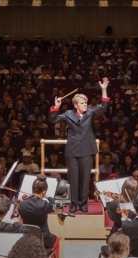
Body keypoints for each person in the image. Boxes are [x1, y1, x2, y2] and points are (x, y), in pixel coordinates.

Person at [49, 77, 110, 213]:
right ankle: (73, 203)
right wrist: (56, 106)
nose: (85, 105)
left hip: (87, 150)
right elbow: (53, 119)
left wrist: (104, 89)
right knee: (73, 179)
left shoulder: (90, 113)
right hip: (72, 151)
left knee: (85, 178)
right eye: (82, 103)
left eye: (86, 102)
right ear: (76, 105)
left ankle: (83, 203)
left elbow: (103, 106)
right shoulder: (68, 114)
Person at [17, 174, 61, 249]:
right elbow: (58, 205)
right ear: (44, 192)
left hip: (27, 238)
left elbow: (18, 211)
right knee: (57, 239)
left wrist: (25, 200)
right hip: (43, 239)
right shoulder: (44, 205)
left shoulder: (22, 204)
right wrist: (48, 196)